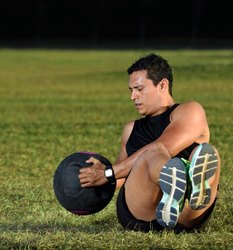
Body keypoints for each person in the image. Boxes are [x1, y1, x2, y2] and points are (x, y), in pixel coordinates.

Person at [79, 53, 221, 232]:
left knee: (208, 152)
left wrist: (107, 173)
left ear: (162, 85)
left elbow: (164, 146)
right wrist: (103, 173)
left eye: (139, 89)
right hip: (141, 213)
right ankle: (178, 188)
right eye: (131, 90)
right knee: (152, 154)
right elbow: (121, 178)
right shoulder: (131, 129)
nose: (133, 97)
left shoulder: (189, 111)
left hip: (186, 217)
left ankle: (184, 193)